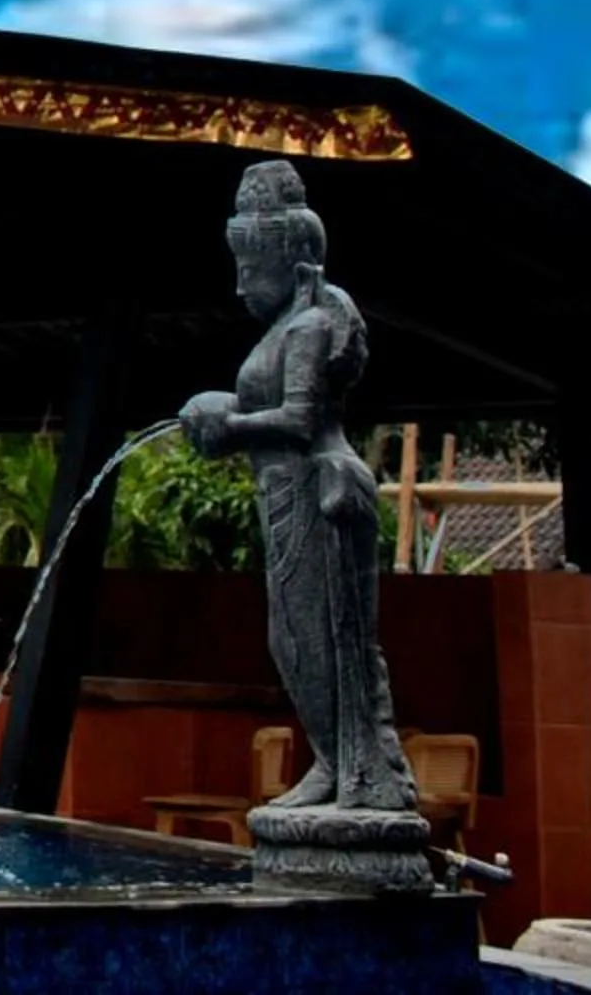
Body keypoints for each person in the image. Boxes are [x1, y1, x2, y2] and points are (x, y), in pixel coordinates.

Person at [180, 161, 417, 815]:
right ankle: (333, 764)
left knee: (325, 638)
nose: (239, 286)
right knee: (291, 640)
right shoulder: (283, 328)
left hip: (318, 490)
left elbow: (301, 418)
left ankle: (359, 774)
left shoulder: (310, 325)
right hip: (283, 497)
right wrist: (224, 409)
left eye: (250, 270)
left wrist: (229, 426)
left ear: (288, 261)